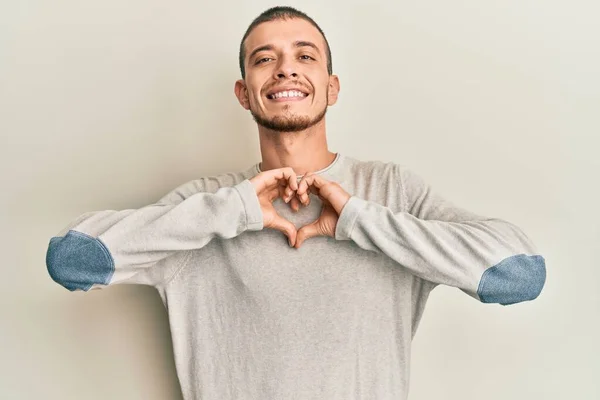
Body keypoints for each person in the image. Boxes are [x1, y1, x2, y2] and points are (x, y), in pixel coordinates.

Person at [45, 6, 546, 400]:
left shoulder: (392, 192)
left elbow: (519, 275)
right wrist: (233, 211)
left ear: (331, 87)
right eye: (265, 58)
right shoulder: (203, 206)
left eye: (305, 56)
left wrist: (356, 218)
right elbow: (72, 261)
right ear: (245, 92)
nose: (286, 69)